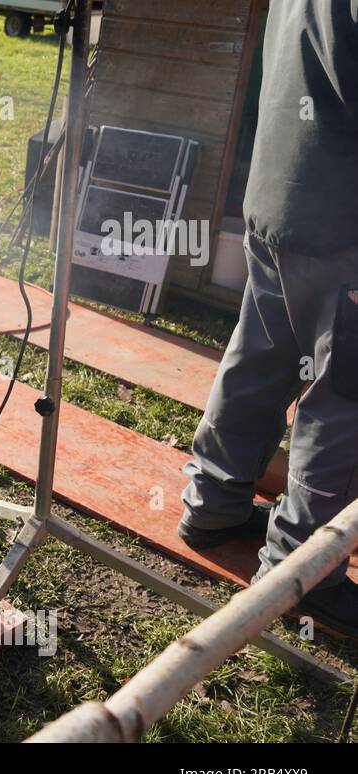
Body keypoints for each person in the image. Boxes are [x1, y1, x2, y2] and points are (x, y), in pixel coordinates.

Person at [179, 0, 358, 635]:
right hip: (341, 222)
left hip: (277, 195)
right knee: (343, 399)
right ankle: (300, 571)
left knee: (263, 353)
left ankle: (214, 503)